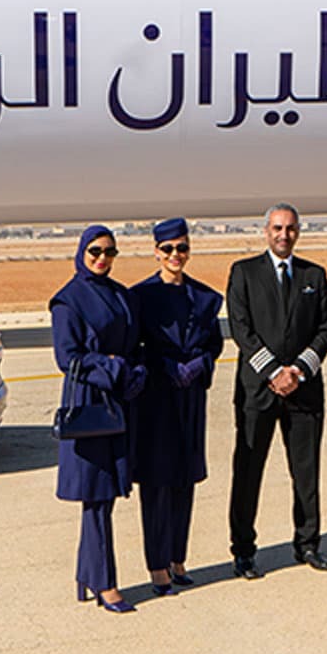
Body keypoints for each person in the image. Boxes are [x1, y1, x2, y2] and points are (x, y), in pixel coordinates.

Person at [225, 203, 327, 577]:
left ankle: (307, 544)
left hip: (303, 391)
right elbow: (241, 329)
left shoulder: (314, 275)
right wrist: (274, 372)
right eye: (277, 228)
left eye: (290, 228)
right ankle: (243, 550)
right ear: (265, 231)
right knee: (248, 471)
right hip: (258, 391)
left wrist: (300, 370)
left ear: (298, 232)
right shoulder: (243, 273)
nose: (283, 234)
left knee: (306, 472)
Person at [52, 225, 146, 613]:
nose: (102, 259)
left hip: (120, 401)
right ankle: (105, 583)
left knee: (107, 497)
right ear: (81, 252)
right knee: (96, 496)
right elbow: (67, 357)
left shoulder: (122, 295)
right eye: (95, 252)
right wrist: (110, 366)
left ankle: (88, 573)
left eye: (110, 252)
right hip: (90, 404)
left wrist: (134, 372)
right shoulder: (68, 300)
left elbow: (136, 344)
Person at [128, 217, 224, 596]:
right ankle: (157, 566)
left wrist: (202, 363)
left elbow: (214, 342)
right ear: (156, 252)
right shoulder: (140, 296)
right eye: (167, 249)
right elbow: (133, 346)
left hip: (190, 399)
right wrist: (162, 365)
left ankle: (178, 558)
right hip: (155, 402)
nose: (175, 255)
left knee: (185, 479)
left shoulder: (202, 297)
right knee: (157, 483)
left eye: (181, 248)